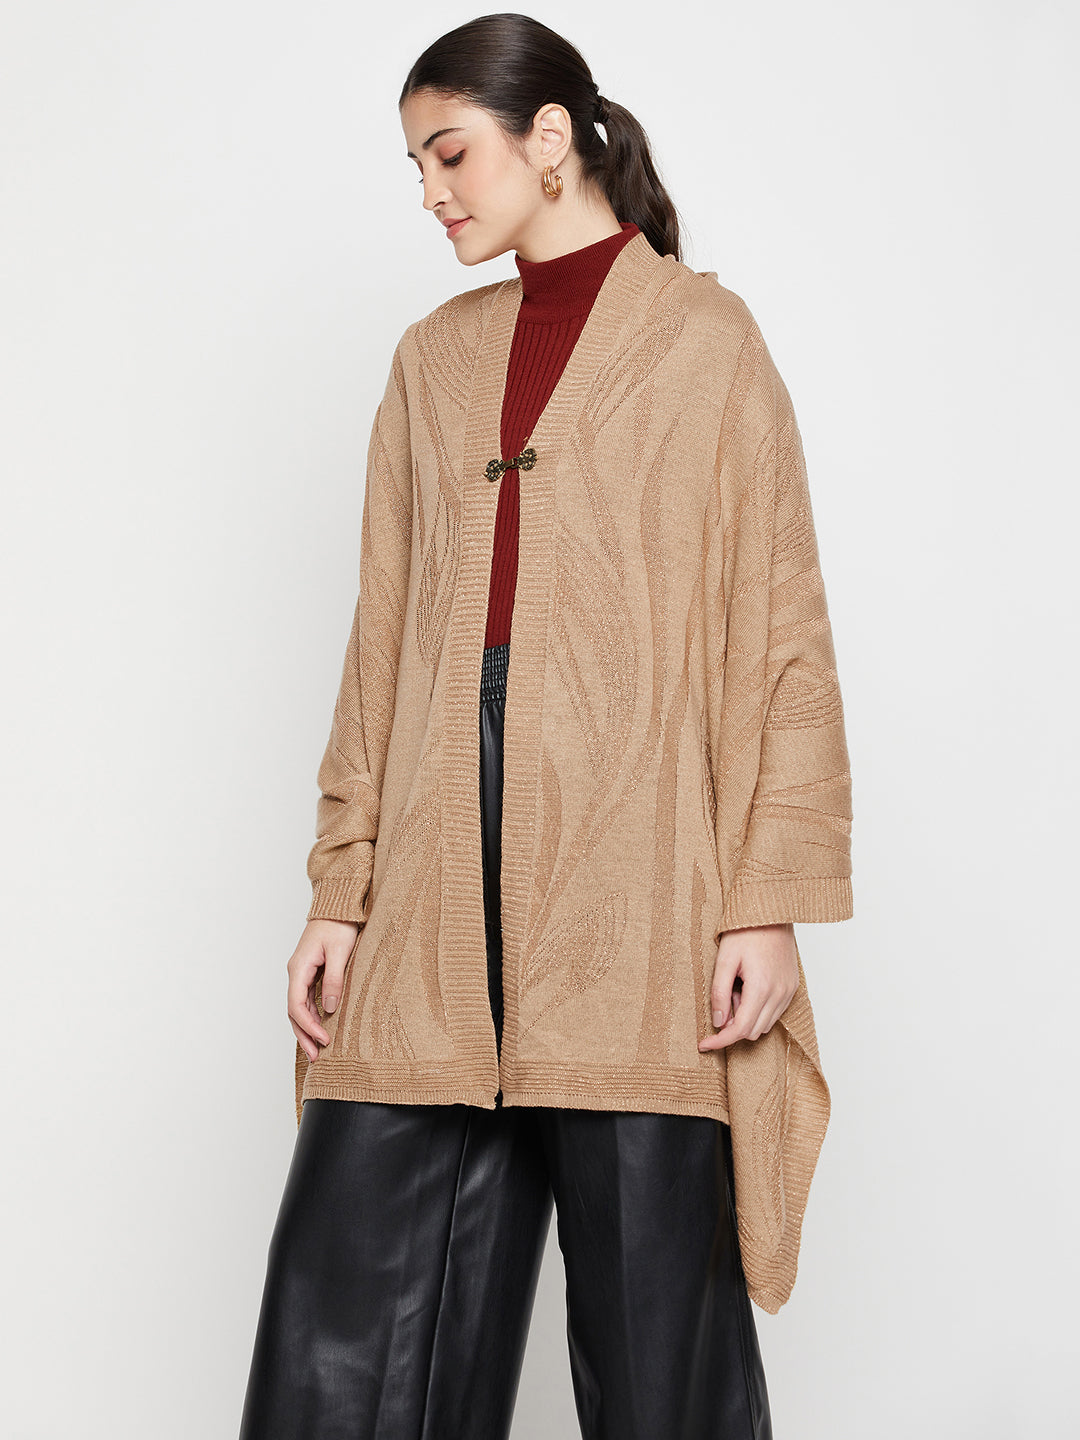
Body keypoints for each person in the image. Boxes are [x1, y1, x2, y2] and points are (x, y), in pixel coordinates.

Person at [238, 13, 853, 1440]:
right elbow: (383, 643)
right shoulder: (432, 362)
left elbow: (781, 635)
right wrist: (342, 887)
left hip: (638, 891)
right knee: (346, 1350)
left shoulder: (706, 344)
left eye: (451, 153)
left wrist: (763, 900)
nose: (432, 191)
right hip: (436, 883)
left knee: (658, 1365)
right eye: (416, 167)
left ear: (552, 138)